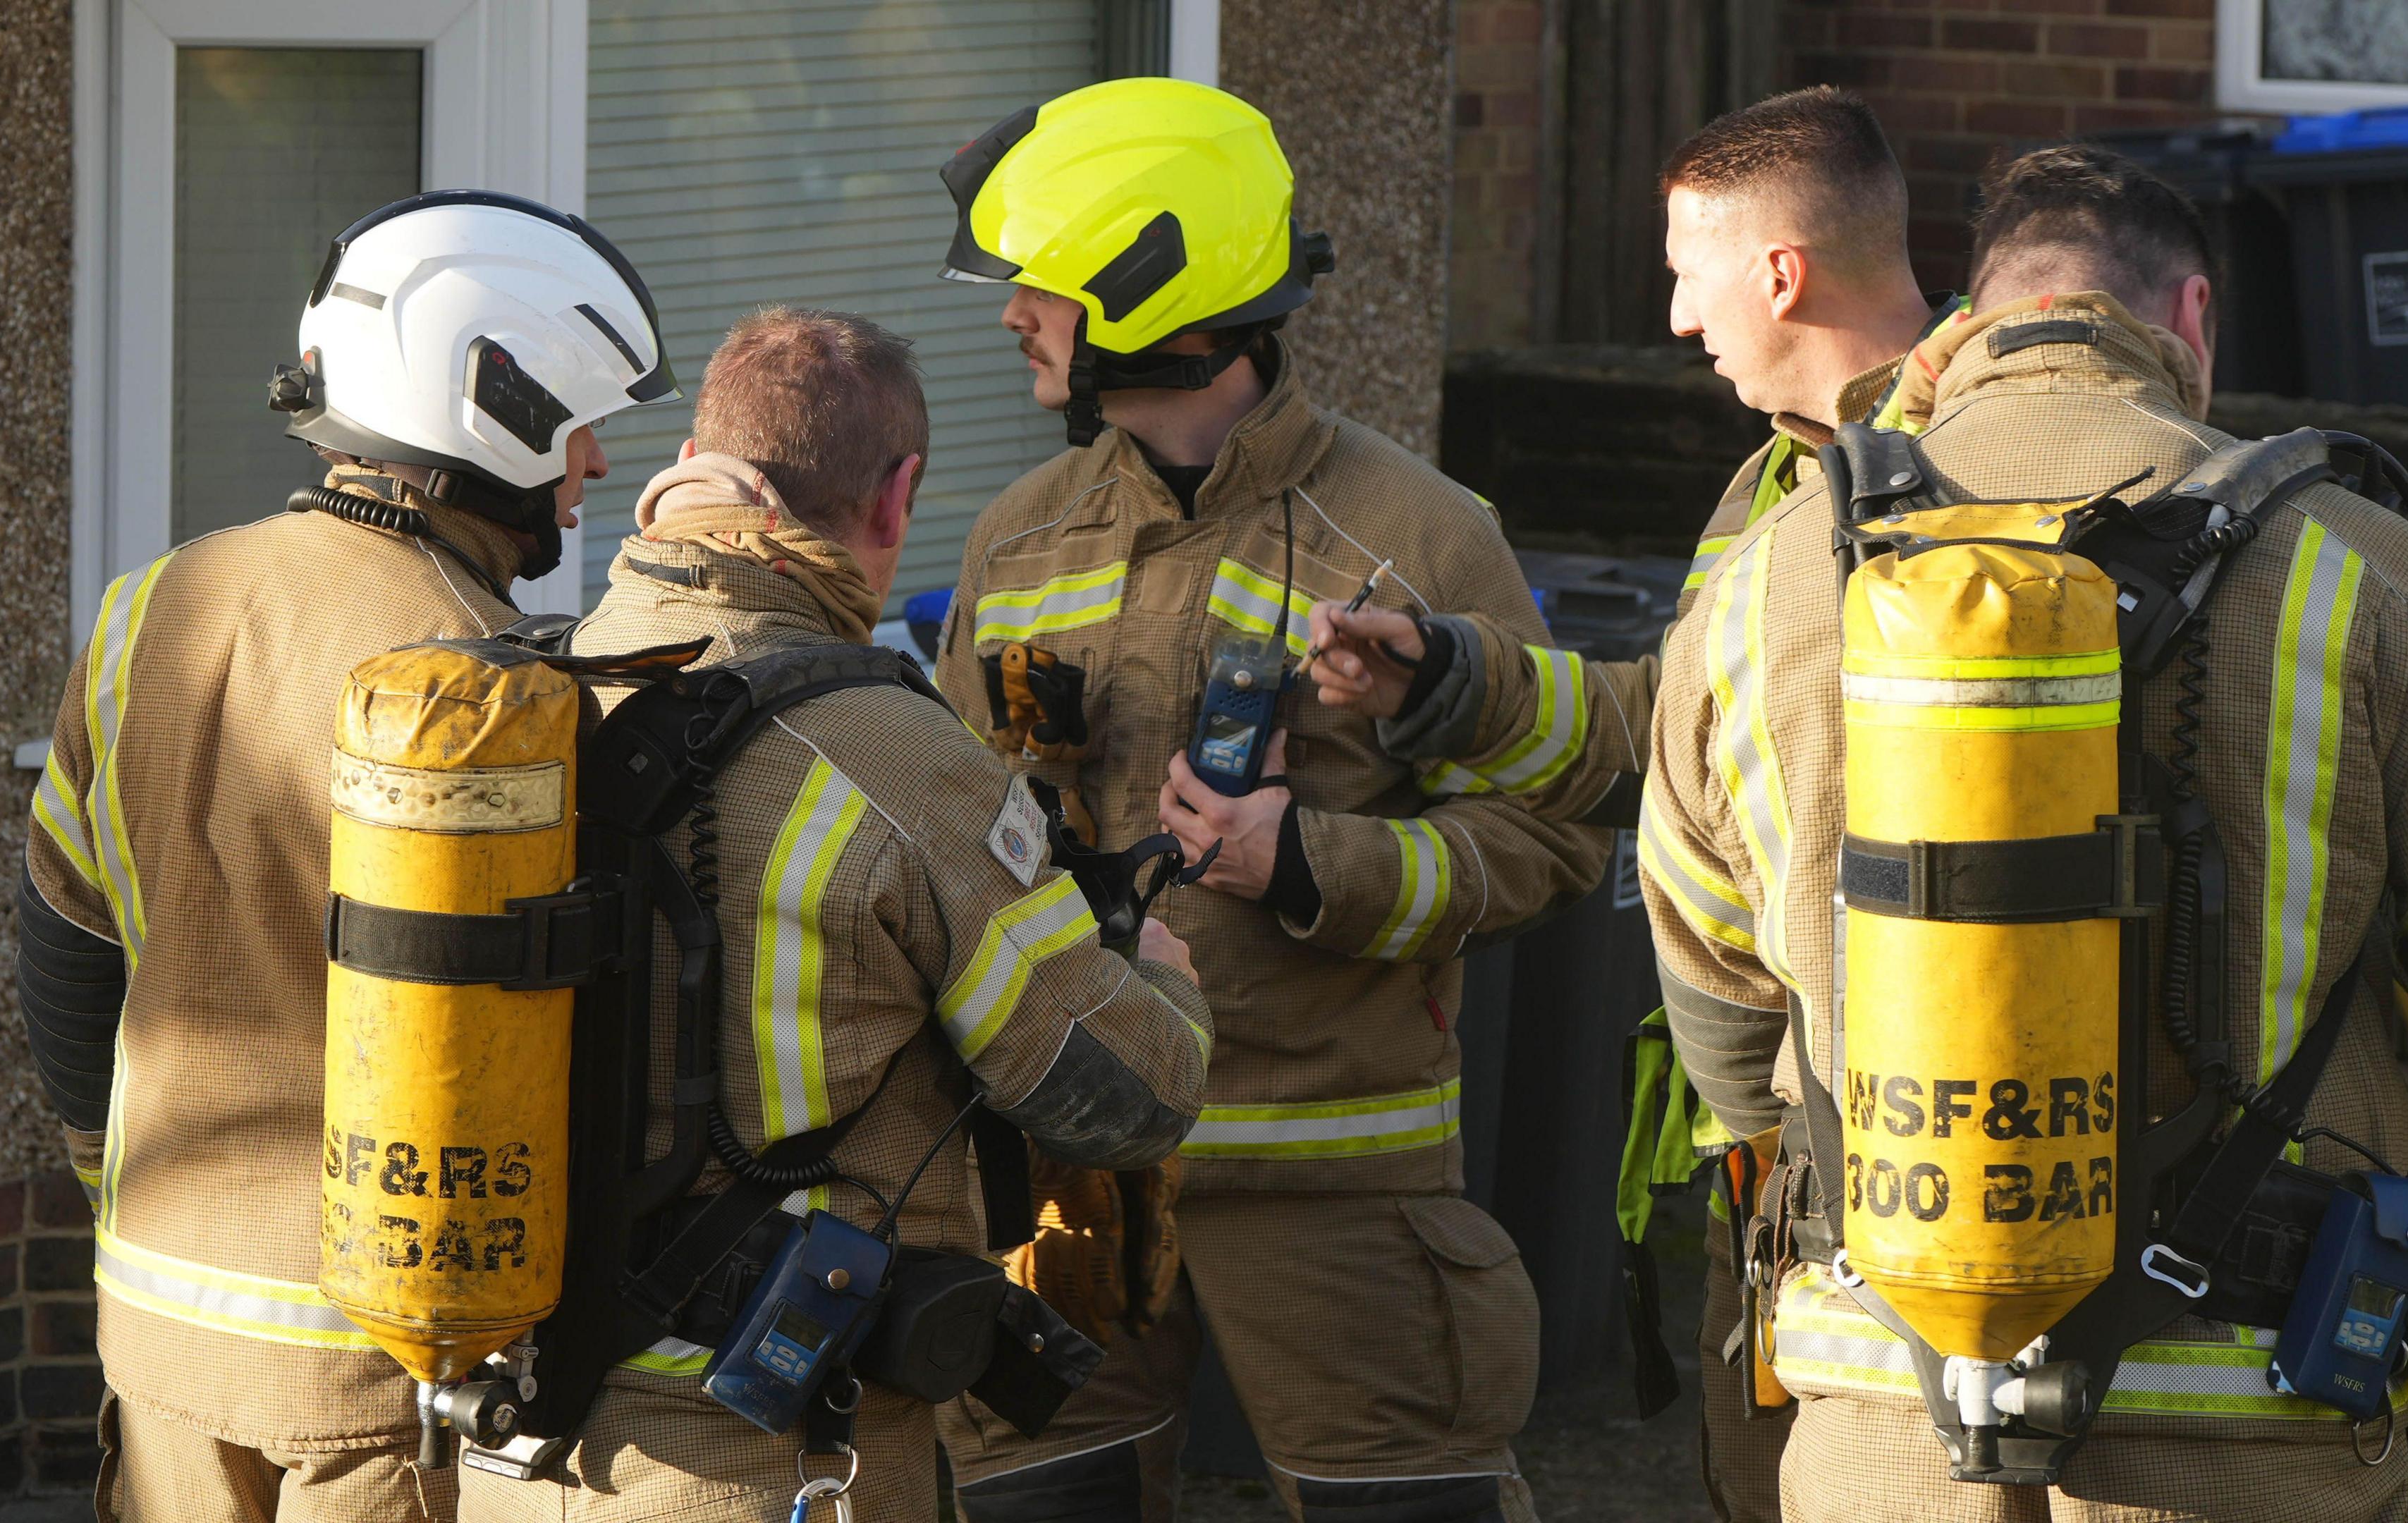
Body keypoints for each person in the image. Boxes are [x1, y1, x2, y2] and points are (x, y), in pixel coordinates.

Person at [1639, 142, 2408, 1522]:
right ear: (2195, 325)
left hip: (1884, 1418)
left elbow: (1726, 1037)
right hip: (2255, 1423)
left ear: (1970, 324)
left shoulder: (1761, 581)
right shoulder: (2359, 573)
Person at [929, 78, 1609, 1523]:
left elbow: (1550, 837)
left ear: (1149, 288)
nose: (1011, 316)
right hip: (1066, 1156)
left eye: (1039, 282)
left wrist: (1311, 864)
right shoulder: (1018, 534)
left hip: (1332, 1184)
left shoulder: (1422, 536)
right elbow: (956, 809)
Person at [1300, 86, 1962, 1523]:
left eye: (1686, 271)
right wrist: (1454, 683)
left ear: (1780, 273)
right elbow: (1680, 743)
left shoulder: (1974, 483)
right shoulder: (1780, 484)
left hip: (1923, 1151)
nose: (1674, 318)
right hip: (1774, 1151)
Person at [449, 308, 1215, 1520]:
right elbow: (1129, 1092)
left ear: (697, 474)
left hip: (511, 1451)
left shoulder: (517, 709)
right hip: (773, 1467)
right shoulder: (897, 758)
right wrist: (1162, 971)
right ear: (897, 494)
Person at [16, 190, 668, 1520]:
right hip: (388, 1377)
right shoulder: (499, 698)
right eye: (581, 426)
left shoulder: (153, 610)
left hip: (156, 1328)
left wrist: (123, 1187)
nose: (594, 466)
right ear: (502, 408)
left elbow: (66, 951)